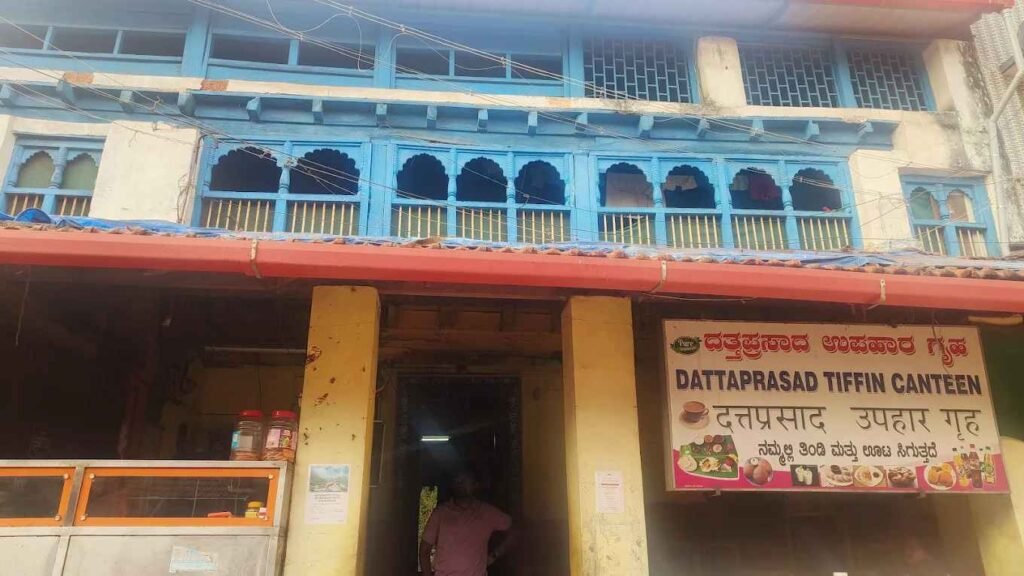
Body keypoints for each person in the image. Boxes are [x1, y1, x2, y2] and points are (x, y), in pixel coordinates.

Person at [419, 469, 515, 576]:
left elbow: (515, 530)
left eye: (465, 480)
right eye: (457, 480)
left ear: (475, 485)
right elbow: (424, 550)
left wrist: (494, 555)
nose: (460, 483)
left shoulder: (486, 512)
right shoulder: (441, 513)